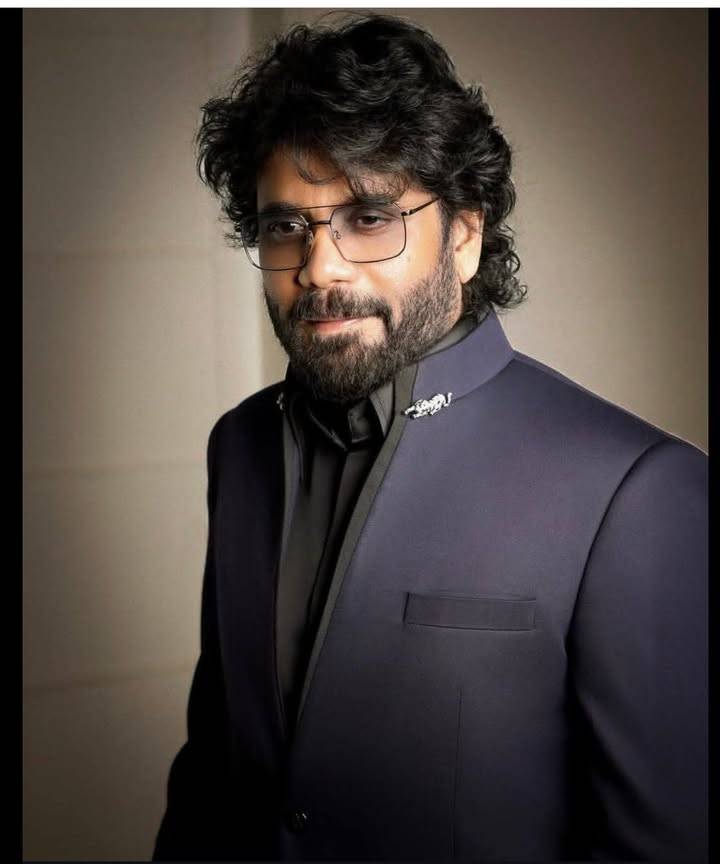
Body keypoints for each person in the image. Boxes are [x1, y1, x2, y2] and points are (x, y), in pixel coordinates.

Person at [153, 13, 707, 862]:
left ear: (467, 234)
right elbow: (212, 785)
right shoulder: (240, 446)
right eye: (285, 226)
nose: (320, 267)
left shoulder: (638, 491)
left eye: (371, 216)